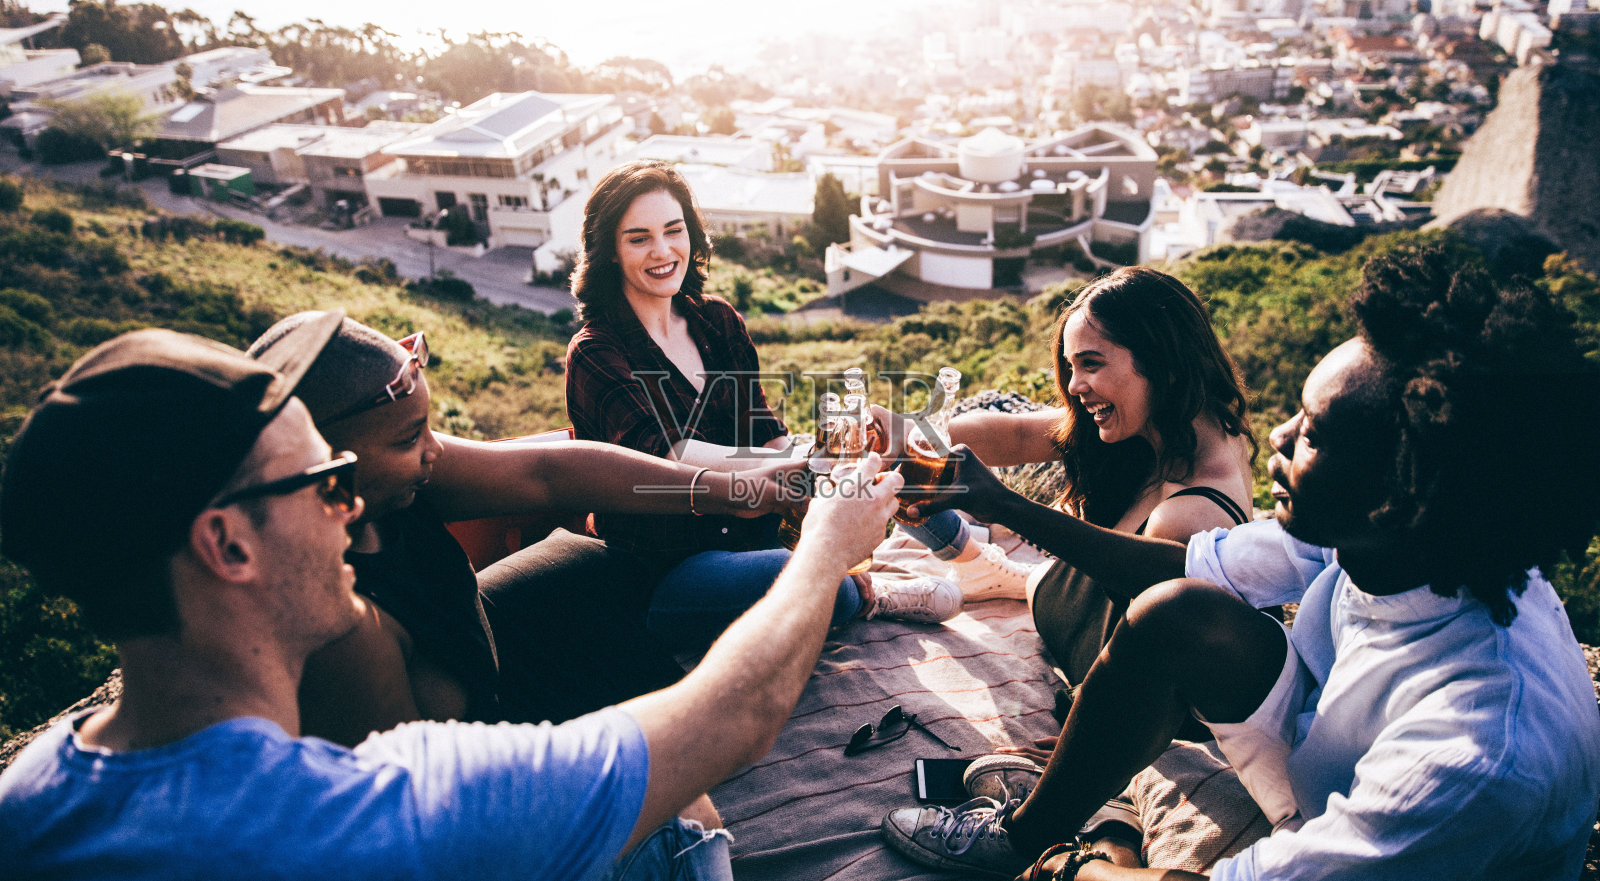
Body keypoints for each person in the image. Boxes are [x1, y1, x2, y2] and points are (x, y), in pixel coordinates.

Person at [0, 320, 909, 880]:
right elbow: (736, 713)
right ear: (228, 544)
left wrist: (750, 489)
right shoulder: (391, 805)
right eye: (323, 483)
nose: (349, 509)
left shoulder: (30, 799)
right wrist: (826, 546)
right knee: (689, 815)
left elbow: (550, 469)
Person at [880, 245, 1600, 880]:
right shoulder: (1420, 536)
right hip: (1321, 735)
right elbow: (1183, 569)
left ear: (1396, 489)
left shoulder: (1476, 755)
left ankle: (1077, 833)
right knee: (1176, 611)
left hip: (1338, 806)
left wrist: (1080, 868)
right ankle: (1021, 832)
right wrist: (999, 502)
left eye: (1312, 434)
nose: (1278, 434)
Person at [247, 311, 798, 742]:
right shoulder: (343, 633)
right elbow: (424, 795)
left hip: (479, 644)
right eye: (409, 439)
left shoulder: (389, 472)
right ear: (321, 462)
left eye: (428, 428)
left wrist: (734, 490)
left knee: (594, 568)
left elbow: (547, 473)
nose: (435, 450)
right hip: (463, 748)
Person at [564, 158, 959, 646]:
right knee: (805, 577)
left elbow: (766, 431)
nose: (662, 250)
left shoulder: (716, 321)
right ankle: (869, 594)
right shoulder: (596, 352)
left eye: (673, 230)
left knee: (883, 458)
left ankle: (971, 556)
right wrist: (795, 468)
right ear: (609, 252)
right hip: (668, 570)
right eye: (638, 238)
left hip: (755, 529)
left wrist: (829, 458)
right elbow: (670, 456)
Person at [884, 267, 1255, 687]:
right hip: (1064, 592)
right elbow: (1018, 434)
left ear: (1163, 360)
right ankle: (985, 565)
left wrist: (1001, 504)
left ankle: (982, 567)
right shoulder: (1180, 424)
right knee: (913, 481)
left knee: (1030, 571)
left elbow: (1141, 669)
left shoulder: (1189, 512)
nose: (1075, 385)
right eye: (1071, 366)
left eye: (1091, 364)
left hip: (1092, 645)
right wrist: (906, 431)